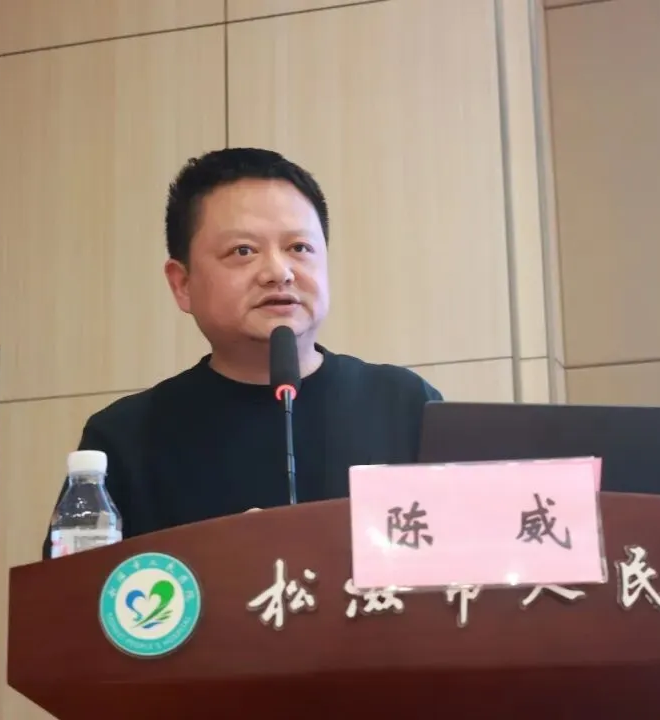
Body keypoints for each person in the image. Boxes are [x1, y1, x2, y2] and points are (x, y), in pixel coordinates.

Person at [41, 148, 443, 559]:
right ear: (182, 284)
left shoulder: (407, 404)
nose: (279, 272)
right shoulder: (124, 439)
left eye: (299, 247)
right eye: (243, 251)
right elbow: (74, 594)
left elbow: (471, 557)